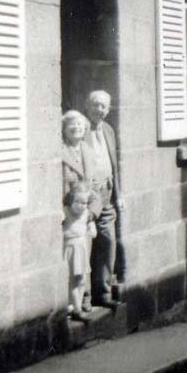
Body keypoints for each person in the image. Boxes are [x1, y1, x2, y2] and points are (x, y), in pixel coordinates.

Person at [83, 90, 125, 309]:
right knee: (86, 243)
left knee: (108, 241)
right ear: (87, 105)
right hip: (90, 197)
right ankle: (85, 296)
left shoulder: (108, 130)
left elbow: (114, 165)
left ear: (108, 110)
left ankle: (103, 292)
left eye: (104, 107)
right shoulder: (80, 129)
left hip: (108, 195)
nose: (99, 110)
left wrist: (119, 195)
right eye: (96, 105)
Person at [62, 110, 101, 313]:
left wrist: (92, 214)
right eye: (72, 125)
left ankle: (83, 303)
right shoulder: (61, 152)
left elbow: (95, 185)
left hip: (86, 215)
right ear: (64, 128)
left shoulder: (88, 150)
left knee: (83, 265)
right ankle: (71, 307)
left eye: (79, 124)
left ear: (85, 128)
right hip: (69, 218)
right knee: (70, 267)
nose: (76, 128)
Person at [63, 182, 97, 322]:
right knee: (74, 280)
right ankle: (76, 309)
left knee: (82, 279)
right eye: (77, 202)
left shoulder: (86, 214)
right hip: (70, 249)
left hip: (81, 248)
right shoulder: (65, 212)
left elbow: (92, 229)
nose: (81, 206)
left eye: (84, 203)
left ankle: (75, 305)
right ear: (71, 200)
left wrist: (91, 229)